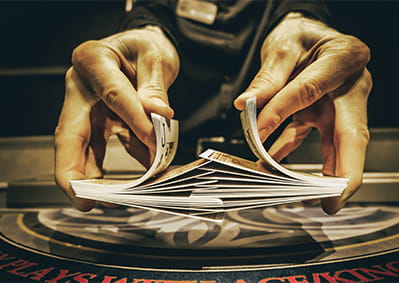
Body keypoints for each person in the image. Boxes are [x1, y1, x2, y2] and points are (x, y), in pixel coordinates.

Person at [54, 0, 372, 215]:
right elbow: (150, 12)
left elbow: (302, 8)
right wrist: (145, 31)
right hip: (166, 181)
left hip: (273, 184)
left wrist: (303, 21)